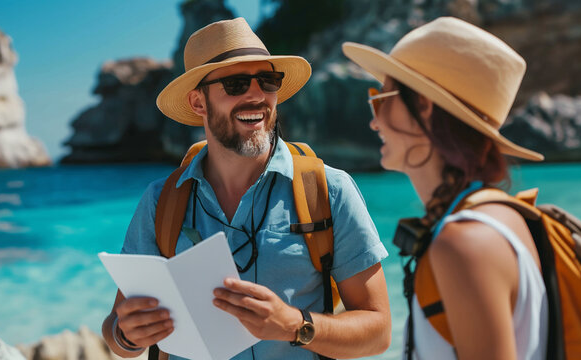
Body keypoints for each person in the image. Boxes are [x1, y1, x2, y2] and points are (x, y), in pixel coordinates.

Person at [102, 18, 391, 360]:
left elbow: (379, 332)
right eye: (236, 83)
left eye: (268, 81)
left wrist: (296, 326)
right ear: (198, 103)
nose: (257, 95)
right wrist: (127, 336)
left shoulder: (330, 190)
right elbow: (115, 330)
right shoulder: (160, 201)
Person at [343, 17, 548, 360]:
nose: (373, 120)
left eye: (381, 98)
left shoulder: (464, 241)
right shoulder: (505, 217)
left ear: (423, 104)